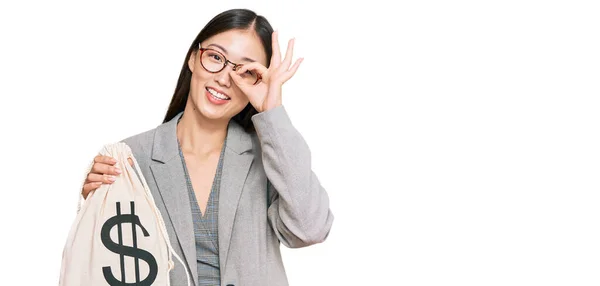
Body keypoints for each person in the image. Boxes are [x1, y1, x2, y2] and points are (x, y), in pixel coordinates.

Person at [79, 8, 334, 286]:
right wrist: (96, 202)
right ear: (193, 58)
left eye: (245, 71)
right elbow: (105, 262)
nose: (224, 79)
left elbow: (310, 229)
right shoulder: (130, 158)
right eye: (215, 57)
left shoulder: (270, 158)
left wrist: (272, 112)